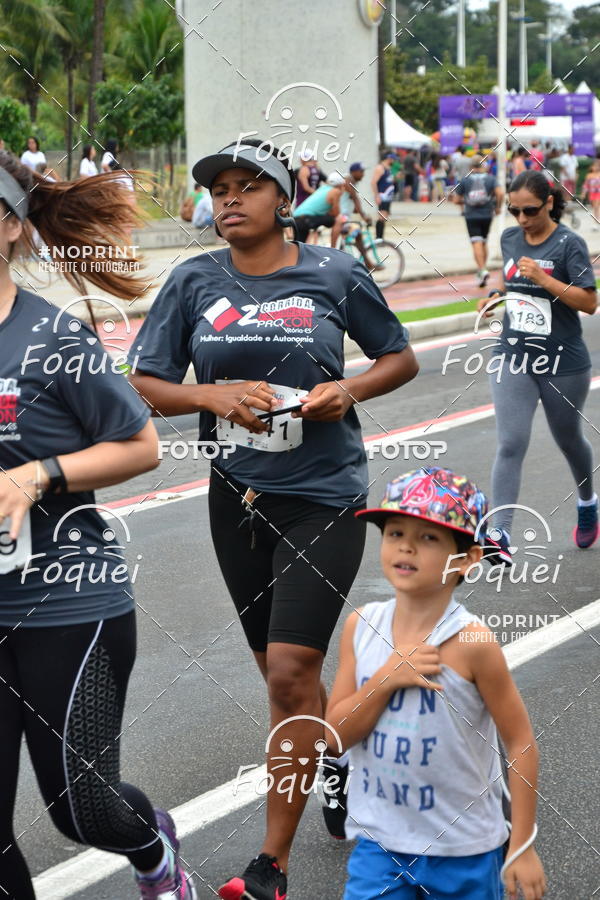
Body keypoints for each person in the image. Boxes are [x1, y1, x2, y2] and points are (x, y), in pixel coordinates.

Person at [128, 137, 419, 900]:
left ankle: (270, 868)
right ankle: (336, 758)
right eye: (219, 188)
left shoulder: (334, 273)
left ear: (284, 200)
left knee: (290, 674)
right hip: (237, 499)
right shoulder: (193, 279)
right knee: (280, 675)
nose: (229, 198)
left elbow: (399, 357)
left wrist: (347, 391)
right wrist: (210, 396)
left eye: (248, 186)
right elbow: (146, 381)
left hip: (324, 494)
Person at [0, 149, 195, 899]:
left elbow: (140, 444)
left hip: (68, 600)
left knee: (82, 809)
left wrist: (38, 474)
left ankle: (151, 849)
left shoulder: (51, 336)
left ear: (12, 227)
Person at [326, 467, 546, 900]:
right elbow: (334, 738)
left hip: (464, 850)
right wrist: (385, 680)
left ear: (466, 559)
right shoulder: (361, 626)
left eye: (428, 537)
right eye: (395, 532)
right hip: (379, 845)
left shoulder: (473, 644)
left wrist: (522, 843)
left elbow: (520, 742)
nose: (406, 546)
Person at [478, 170, 598, 553]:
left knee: (569, 440)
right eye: (515, 211)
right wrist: (495, 295)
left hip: (563, 361)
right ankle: (500, 533)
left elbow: (589, 302)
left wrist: (545, 280)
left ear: (549, 202)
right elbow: (508, 278)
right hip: (513, 355)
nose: (522, 219)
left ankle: (587, 502)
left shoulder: (569, 244)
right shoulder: (510, 238)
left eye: (530, 210)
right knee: (511, 442)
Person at [454, 154, 503, 288]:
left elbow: (456, 200)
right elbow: (500, 193)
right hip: (487, 214)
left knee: (476, 242)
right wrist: (497, 207)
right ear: (483, 165)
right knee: (483, 241)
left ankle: (482, 270)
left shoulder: (465, 180)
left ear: (471, 166)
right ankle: (483, 268)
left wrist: (466, 202)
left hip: (471, 215)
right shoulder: (491, 179)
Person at [339, 162, 381, 271]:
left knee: (352, 238)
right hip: (340, 217)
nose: (363, 174)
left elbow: (351, 202)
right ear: (354, 172)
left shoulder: (351, 181)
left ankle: (365, 263)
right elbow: (355, 198)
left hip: (344, 216)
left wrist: (359, 212)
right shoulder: (348, 180)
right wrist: (364, 216)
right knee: (357, 234)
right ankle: (367, 263)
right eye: (361, 172)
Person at [293, 170, 346, 245]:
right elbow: (336, 213)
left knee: (298, 245)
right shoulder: (335, 191)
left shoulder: (323, 188)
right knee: (339, 219)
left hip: (296, 218)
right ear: (341, 184)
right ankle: (333, 247)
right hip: (306, 219)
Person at [371, 152, 397, 238]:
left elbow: (387, 181)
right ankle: (378, 237)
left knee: (385, 216)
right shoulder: (380, 168)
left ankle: (381, 237)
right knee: (382, 216)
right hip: (383, 196)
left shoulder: (388, 168)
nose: (394, 161)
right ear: (389, 158)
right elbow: (373, 182)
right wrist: (376, 196)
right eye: (393, 159)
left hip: (388, 196)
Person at [581, 158, 600, 229]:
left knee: (596, 206)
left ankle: (596, 221)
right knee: (595, 208)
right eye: (594, 166)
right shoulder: (589, 175)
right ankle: (596, 220)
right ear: (592, 167)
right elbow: (586, 185)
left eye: (597, 166)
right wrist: (583, 193)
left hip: (599, 193)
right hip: (592, 193)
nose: (596, 167)